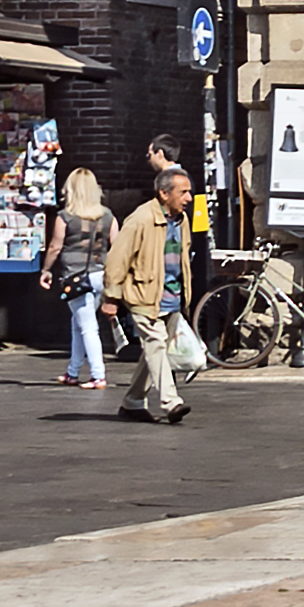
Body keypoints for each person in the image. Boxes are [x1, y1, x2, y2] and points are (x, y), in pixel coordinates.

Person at [109, 153, 198, 425]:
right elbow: (118, 258)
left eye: (189, 192)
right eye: (183, 192)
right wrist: (111, 295)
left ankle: (133, 402)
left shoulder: (181, 220)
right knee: (156, 345)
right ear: (163, 193)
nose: (189, 198)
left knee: (153, 352)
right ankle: (171, 402)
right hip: (144, 294)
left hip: (171, 296)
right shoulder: (140, 219)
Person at [52, 157, 112, 402]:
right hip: (101, 273)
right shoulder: (107, 215)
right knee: (79, 323)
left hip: (75, 275)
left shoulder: (65, 216)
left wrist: (46, 271)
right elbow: (116, 245)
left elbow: (56, 246)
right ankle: (73, 371)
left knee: (87, 326)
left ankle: (98, 374)